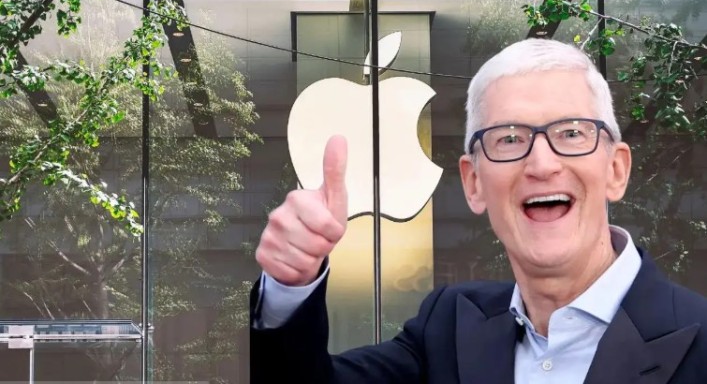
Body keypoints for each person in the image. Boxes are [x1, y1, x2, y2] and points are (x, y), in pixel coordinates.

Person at [249, 38, 707, 384]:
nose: (541, 164)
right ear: (473, 183)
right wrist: (291, 286)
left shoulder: (699, 341)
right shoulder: (448, 328)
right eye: (509, 138)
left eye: (571, 133)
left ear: (616, 170)